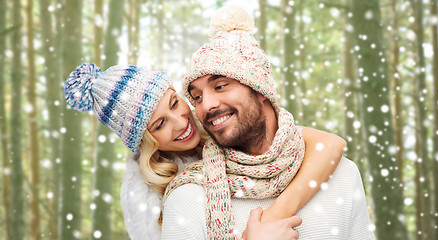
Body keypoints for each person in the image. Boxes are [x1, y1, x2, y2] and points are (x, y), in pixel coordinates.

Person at [161, 5, 375, 239]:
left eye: (220, 86)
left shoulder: (342, 174)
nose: (205, 105)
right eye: (197, 97)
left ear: (260, 89)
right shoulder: (187, 197)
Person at [64, 63, 346, 239]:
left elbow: (330, 144)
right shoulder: (148, 198)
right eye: (160, 124)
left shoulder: (216, 122)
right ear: (144, 141)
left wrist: (274, 216)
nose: (181, 123)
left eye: (174, 103)